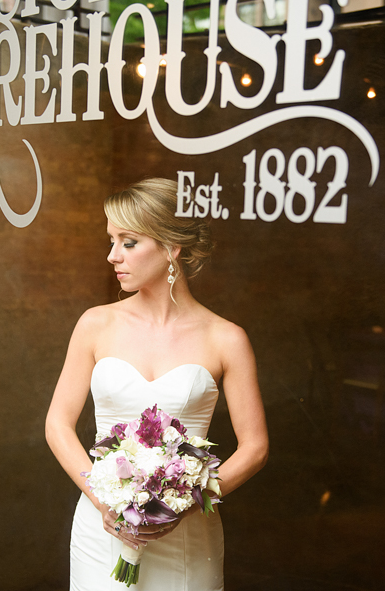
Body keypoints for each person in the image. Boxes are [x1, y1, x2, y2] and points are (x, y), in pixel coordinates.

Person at [45, 178, 269, 591]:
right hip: (103, 528)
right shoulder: (96, 323)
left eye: (128, 242)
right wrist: (101, 499)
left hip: (186, 534)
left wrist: (180, 505)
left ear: (171, 248)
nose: (112, 256)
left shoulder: (226, 338)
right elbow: (58, 423)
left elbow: (254, 447)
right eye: (111, 240)